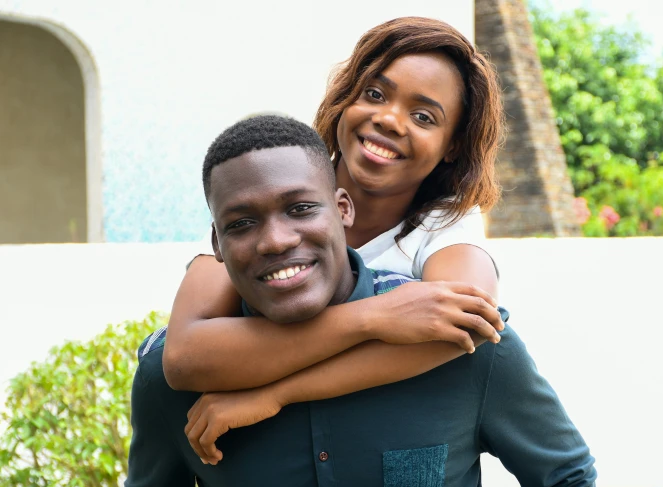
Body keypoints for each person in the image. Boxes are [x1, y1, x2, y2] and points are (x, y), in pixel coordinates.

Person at [114, 115, 597, 487]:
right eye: (242, 224)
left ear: (342, 210)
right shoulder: (170, 381)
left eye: (301, 209)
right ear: (216, 247)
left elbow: (564, 479)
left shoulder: (456, 341)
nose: (277, 240)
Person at [161, 17, 508, 411]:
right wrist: (376, 317)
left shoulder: (444, 224)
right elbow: (184, 356)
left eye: (424, 117)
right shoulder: (270, 194)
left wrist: (276, 394)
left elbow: (470, 323)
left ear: (453, 146)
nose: (389, 119)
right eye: (375, 94)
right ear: (345, 99)